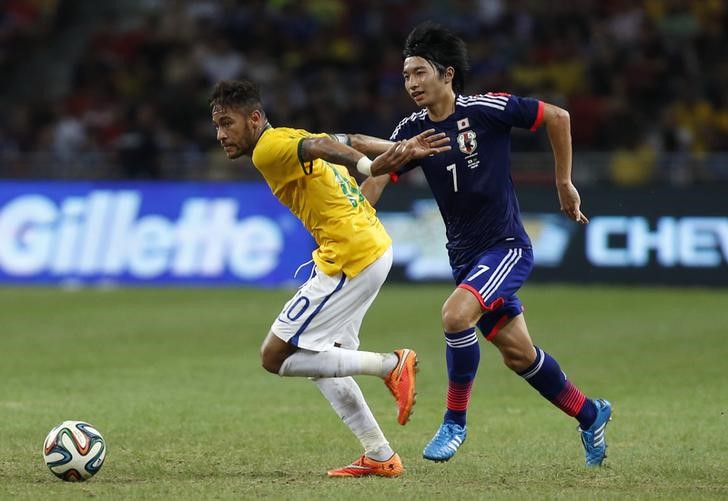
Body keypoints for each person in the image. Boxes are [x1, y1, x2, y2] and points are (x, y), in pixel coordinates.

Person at [350, 22, 612, 467]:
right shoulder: (412, 130)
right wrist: (355, 217)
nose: (411, 84)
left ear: (447, 74)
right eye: (406, 76)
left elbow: (558, 117)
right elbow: (377, 175)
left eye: (419, 73)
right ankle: (590, 413)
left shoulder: (486, 109)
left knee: (455, 315)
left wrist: (564, 183)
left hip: (506, 246)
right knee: (518, 354)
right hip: (465, 257)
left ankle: (454, 421)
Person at [209, 79, 450, 477]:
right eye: (216, 126)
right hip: (369, 248)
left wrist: (370, 165)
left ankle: (390, 364)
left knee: (275, 357)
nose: (220, 135)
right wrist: (396, 153)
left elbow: (322, 147)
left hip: (349, 257)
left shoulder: (269, 149)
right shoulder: (290, 136)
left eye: (227, 123)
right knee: (323, 358)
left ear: (254, 119)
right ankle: (379, 455)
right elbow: (349, 137)